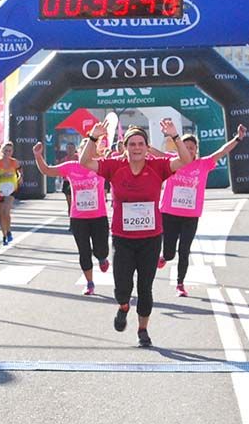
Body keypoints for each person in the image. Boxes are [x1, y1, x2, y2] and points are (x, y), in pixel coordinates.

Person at [80, 119, 192, 347]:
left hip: (150, 239)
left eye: (141, 143)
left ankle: (143, 330)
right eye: (132, 144)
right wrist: (93, 137)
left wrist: (175, 136)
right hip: (123, 238)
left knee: (145, 287)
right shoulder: (113, 166)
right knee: (122, 287)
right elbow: (85, 162)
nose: (137, 148)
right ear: (125, 146)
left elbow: (186, 161)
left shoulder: (158, 166)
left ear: (147, 146)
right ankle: (123, 306)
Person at [156, 125, 248, 297]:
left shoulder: (203, 164)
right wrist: (139, 142)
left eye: (192, 148)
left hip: (190, 216)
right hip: (169, 214)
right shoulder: (171, 161)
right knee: (169, 253)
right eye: (185, 147)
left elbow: (222, 151)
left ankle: (180, 284)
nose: (189, 150)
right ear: (179, 148)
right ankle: (164, 257)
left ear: (196, 150)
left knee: (184, 250)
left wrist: (238, 138)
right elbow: (152, 153)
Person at [33, 140, 109, 295]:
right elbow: (47, 170)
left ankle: (102, 257)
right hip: (78, 217)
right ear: (79, 152)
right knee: (84, 251)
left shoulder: (101, 165)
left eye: (92, 149)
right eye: (85, 149)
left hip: (99, 216)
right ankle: (90, 283)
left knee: (101, 249)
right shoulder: (71, 166)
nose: (88, 152)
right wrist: (38, 156)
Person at [0, 142, 21, 245]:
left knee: (6, 212)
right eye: (6, 150)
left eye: (10, 151)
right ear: (2, 151)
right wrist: (2, 176)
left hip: (11, 189)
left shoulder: (15, 162)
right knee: (1, 214)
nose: (7, 153)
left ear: (12, 152)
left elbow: (20, 171)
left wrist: (20, 178)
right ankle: (4, 235)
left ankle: (9, 231)